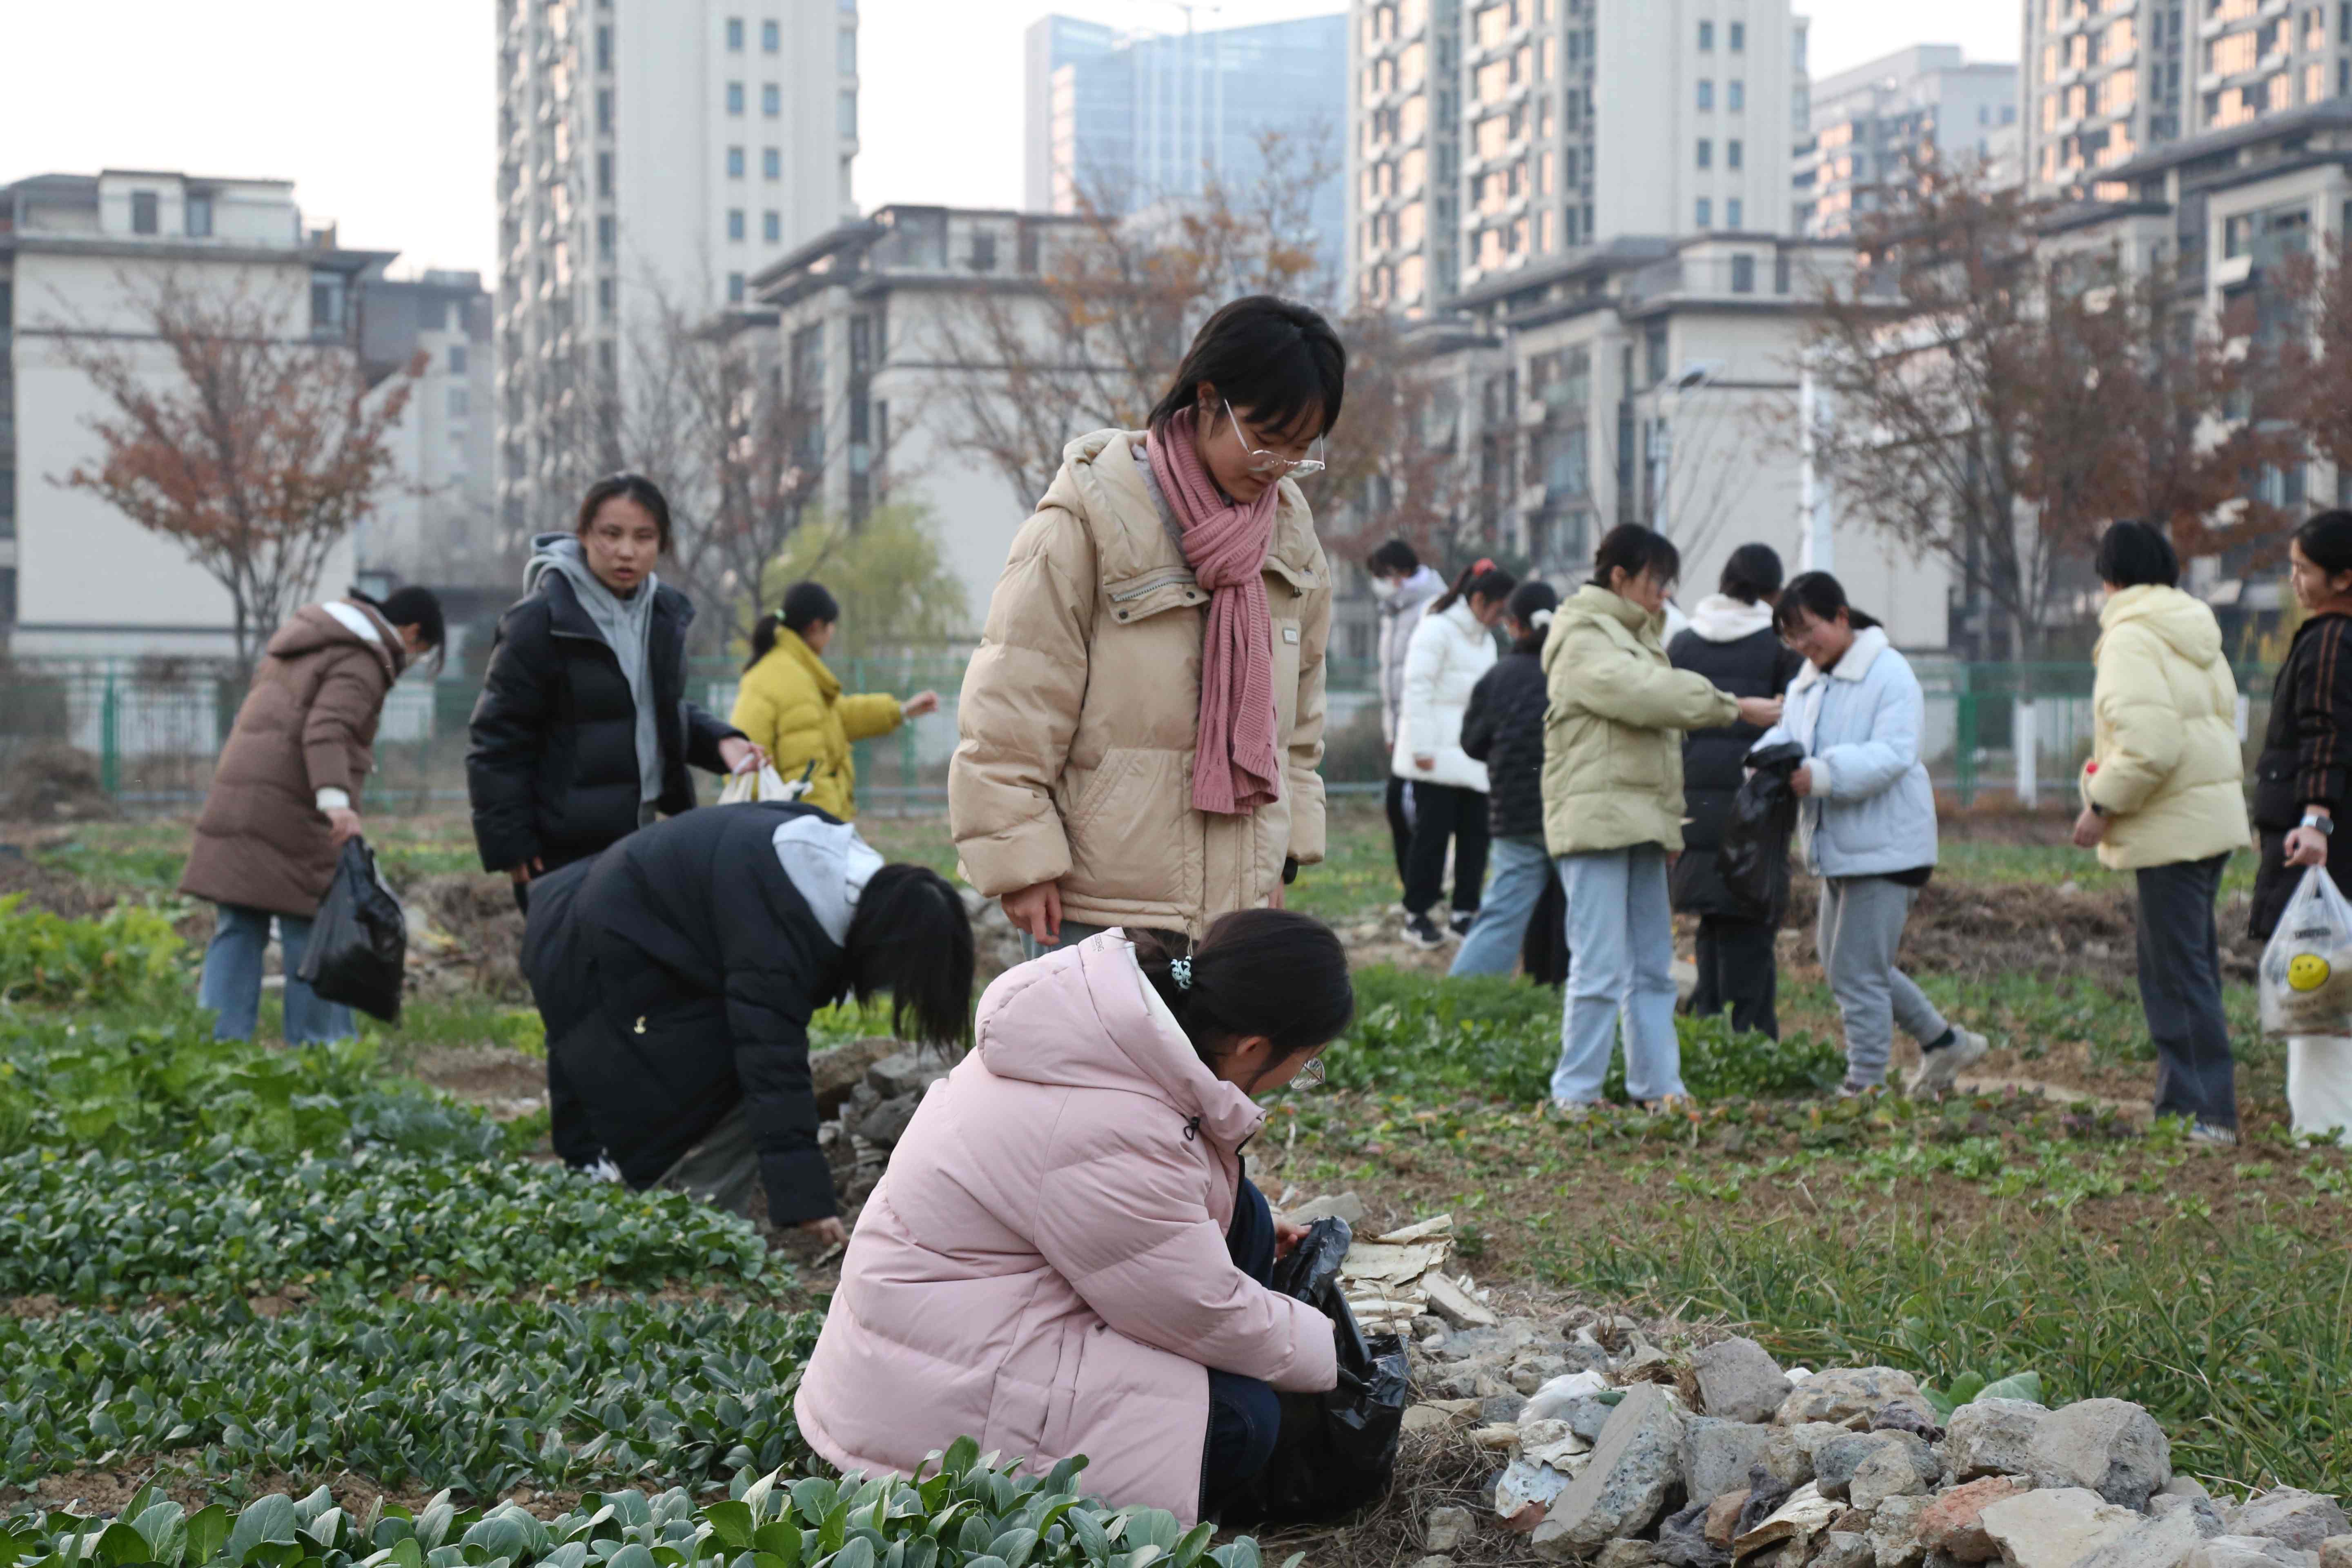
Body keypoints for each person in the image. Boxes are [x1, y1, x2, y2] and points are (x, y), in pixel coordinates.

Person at [794, 910, 1354, 1525]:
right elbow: (1198, 1309)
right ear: (1252, 1047)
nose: (1298, 1079)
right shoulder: (1112, 1123)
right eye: (1307, 1065)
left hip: (958, 1317)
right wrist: (1327, 1350)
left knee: (1246, 1217)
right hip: (921, 1403)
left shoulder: (1114, 1030)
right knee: (1243, 1421)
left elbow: (1148, 1224)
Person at [952, 295, 1341, 956]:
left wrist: (1282, 854)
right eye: (1264, 439)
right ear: (1208, 399)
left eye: (1299, 451)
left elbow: (1299, 724)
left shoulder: (1291, 542)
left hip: (1235, 908)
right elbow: (1012, 703)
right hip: (1099, 900)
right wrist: (1022, 861)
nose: (1277, 465)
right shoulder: (1087, 522)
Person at [519, 800, 974, 1243]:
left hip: (594, 920)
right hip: (595, 959)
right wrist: (808, 1202)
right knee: (737, 1087)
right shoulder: (781, 925)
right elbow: (771, 1064)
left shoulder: (838, 868)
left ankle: (659, 1202)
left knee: (744, 1076)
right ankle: (697, 1228)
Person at [1542, 526, 1783, 1111]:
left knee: (1653, 967)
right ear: (1619, 577)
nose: (1665, 593)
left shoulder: (1638, 635)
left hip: (1641, 822)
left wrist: (1670, 822)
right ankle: (1575, 1094)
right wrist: (1732, 707)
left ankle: (1659, 1088)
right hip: (1596, 820)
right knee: (1599, 967)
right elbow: (1646, 695)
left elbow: (1659, 735)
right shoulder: (1580, 634)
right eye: (1657, 580)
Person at [468, 472, 766, 907]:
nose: (627, 551)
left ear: (662, 544)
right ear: (584, 535)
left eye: (644, 537)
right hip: (561, 852)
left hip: (643, 838)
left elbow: (653, 707)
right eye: (612, 534)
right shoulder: (540, 621)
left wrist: (721, 741)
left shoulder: (663, 614)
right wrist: (510, 842)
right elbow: (497, 738)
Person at [1759, 572, 1988, 1097]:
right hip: (1841, 845)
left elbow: (1894, 753)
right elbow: (1789, 735)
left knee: (1856, 971)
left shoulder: (1889, 672)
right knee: (1849, 964)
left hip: (1887, 848)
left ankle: (1865, 1083)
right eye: (1792, 637)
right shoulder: (1808, 681)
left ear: (1841, 617)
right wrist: (1763, 762)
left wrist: (1821, 775)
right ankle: (1945, 1042)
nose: (1802, 645)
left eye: (1808, 630)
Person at [182, 587, 445, 1045]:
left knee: (240, 923)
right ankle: (321, 1050)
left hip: (244, 797)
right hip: (294, 806)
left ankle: (216, 1046)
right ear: (412, 632)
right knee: (315, 923)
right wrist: (335, 801)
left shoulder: (308, 641)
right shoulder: (363, 658)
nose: (412, 661)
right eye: (421, 653)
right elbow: (328, 728)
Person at [2071, 522, 2248, 1145]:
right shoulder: (2195, 630)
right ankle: (2188, 1107)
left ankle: (2205, 1115)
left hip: (2171, 827)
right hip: (2209, 821)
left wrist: (2100, 804)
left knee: (2175, 975)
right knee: (2188, 967)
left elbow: (2151, 746)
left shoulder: (2131, 636)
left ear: (2110, 578)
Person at [1668, 544, 1805, 1038]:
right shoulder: (1780, 649)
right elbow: (1797, 725)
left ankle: (1709, 1034)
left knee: (1712, 921)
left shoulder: (1684, 644)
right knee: (1752, 929)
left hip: (1694, 805)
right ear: (1774, 591)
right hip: (1755, 810)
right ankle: (1752, 1040)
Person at [2250, 510, 2352, 1144]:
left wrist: (2315, 817)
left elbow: (2326, 732)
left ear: (2344, 578)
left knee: (2319, 984)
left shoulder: (2331, 640)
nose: (2294, 581)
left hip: (2327, 848)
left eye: (2304, 570)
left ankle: (2326, 1131)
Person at [731, 580, 940, 820]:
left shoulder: (804, 673)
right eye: (831, 625)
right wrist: (759, 821)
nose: (832, 633)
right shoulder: (772, 676)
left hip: (814, 820)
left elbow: (842, 716)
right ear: (816, 626)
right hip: (796, 825)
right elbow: (745, 753)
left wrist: (901, 711)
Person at [1394, 560, 1516, 949]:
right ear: (1479, 600)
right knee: (1431, 838)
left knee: (1476, 837)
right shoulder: (1436, 629)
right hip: (1433, 758)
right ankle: (1417, 913)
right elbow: (1417, 689)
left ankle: (1465, 912)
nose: (1502, 618)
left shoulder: (1486, 641)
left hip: (1473, 758)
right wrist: (1421, 748)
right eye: (1499, 608)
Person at [1450, 580, 1561, 977]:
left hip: (1515, 814)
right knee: (1578, 913)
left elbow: (1472, 742)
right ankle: (1561, 991)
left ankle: (1462, 994)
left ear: (1514, 625)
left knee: (1503, 912)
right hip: (1570, 809)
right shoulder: (1571, 671)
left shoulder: (1498, 676)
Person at [1370, 538, 1448, 892]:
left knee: (1418, 811)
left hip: (1426, 727)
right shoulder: (1393, 609)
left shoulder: (1433, 606)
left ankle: (1426, 891)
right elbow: (1391, 677)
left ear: (1398, 572)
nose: (1378, 583)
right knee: (1402, 810)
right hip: (1401, 729)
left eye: (1380, 575)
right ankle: (1418, 891)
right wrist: (1391, 731)